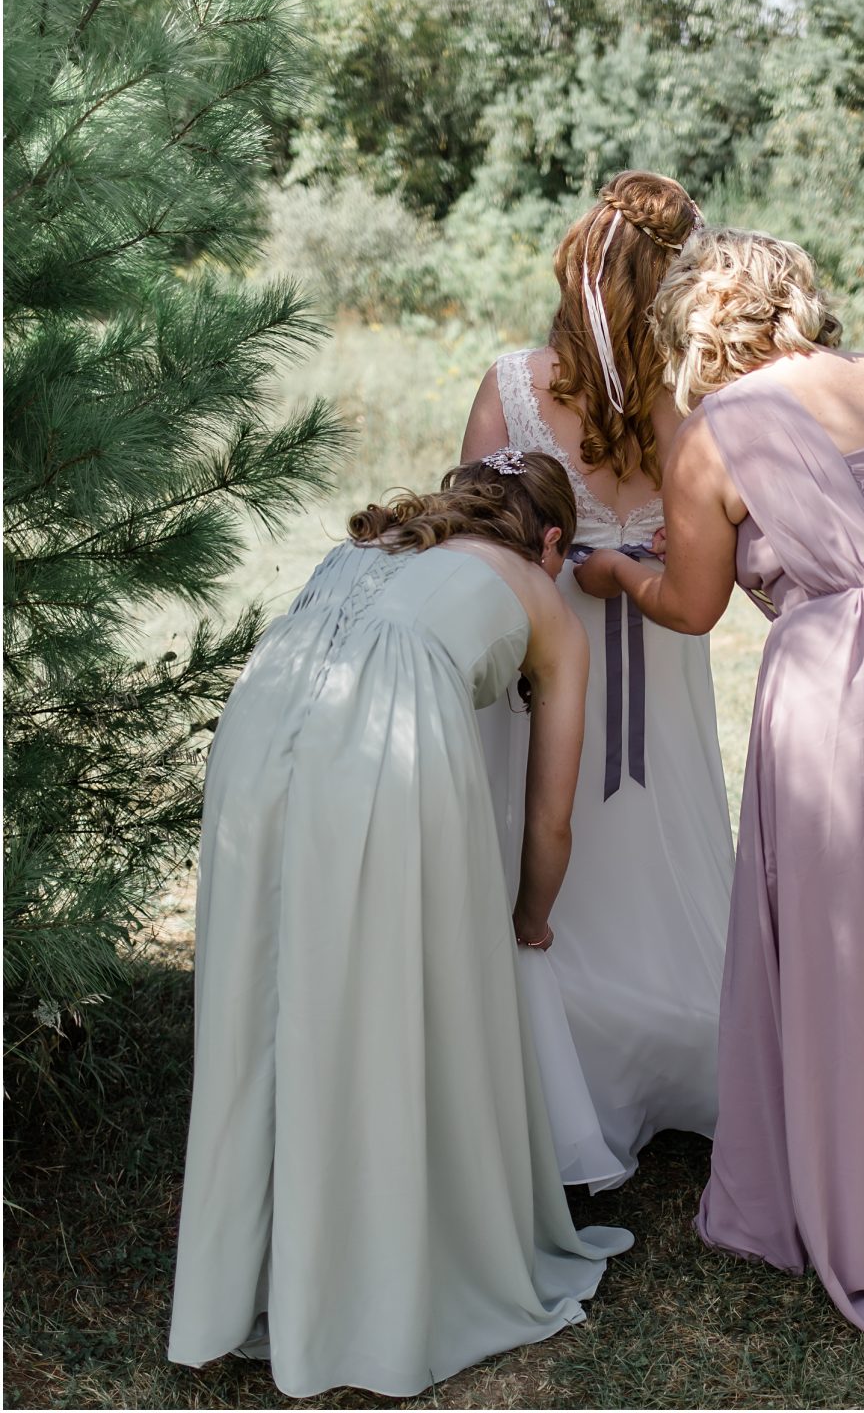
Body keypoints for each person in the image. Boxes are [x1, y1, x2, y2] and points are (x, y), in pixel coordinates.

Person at [574, 226, 864, 1342]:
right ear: (793, 294)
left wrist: (612, 569)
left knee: (857, 952)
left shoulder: (712, 439)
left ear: (696, 317)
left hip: (844, 705)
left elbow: (691, 606)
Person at [168, 452, 632, 1400]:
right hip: (382, 755)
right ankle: (372, 1281)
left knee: (271, 995)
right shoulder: (544, 604)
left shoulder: (381, 541)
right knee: (381, 1000)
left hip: (257, 739)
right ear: (549, 540)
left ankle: (251, 1275)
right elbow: (550, 818)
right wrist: (528, 922)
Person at [461, 171, 734, 1190]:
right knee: (661, 827)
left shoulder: (513, 386)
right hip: (662, 637)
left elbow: (475, 543)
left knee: (547, 817)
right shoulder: (689, 401)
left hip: (545, 652)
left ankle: (557, 1059)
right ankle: (685, 1046)